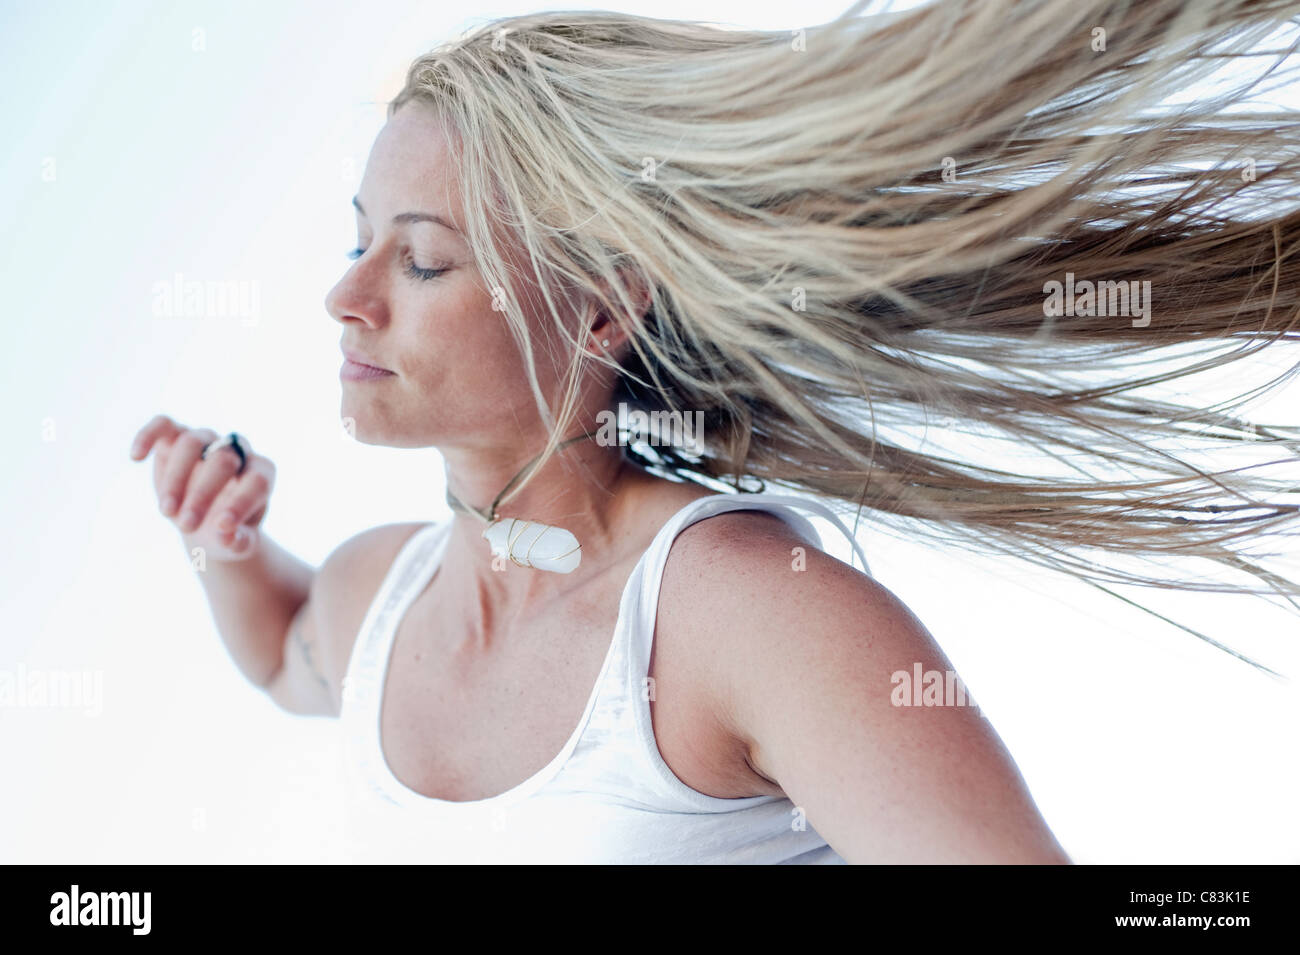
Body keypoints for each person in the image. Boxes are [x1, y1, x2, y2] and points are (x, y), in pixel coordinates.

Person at [130, 0, 1300, 863]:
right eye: (359, 239)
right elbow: (287, 652)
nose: (348, 296)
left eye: (423, 258)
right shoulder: (378, 596)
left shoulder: (743, 613)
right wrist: (222, 547)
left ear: (599, 307)